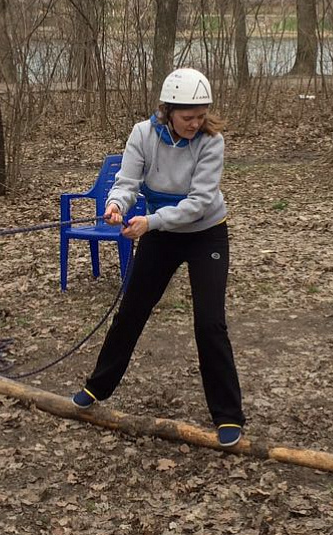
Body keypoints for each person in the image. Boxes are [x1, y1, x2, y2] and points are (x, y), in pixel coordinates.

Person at [70, 67, 245, 447]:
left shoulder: (211, 142)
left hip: (205, 233)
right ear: (167, 110)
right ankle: (98, 386)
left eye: (201, 116)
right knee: (132, 310)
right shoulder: (143, 134)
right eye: (188, 117)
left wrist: (149, 222)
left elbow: (198, 203)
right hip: (161, 234)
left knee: (209, 323)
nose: (195, 123)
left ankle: (228, 414)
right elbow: (128, 182)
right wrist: (116, 206)